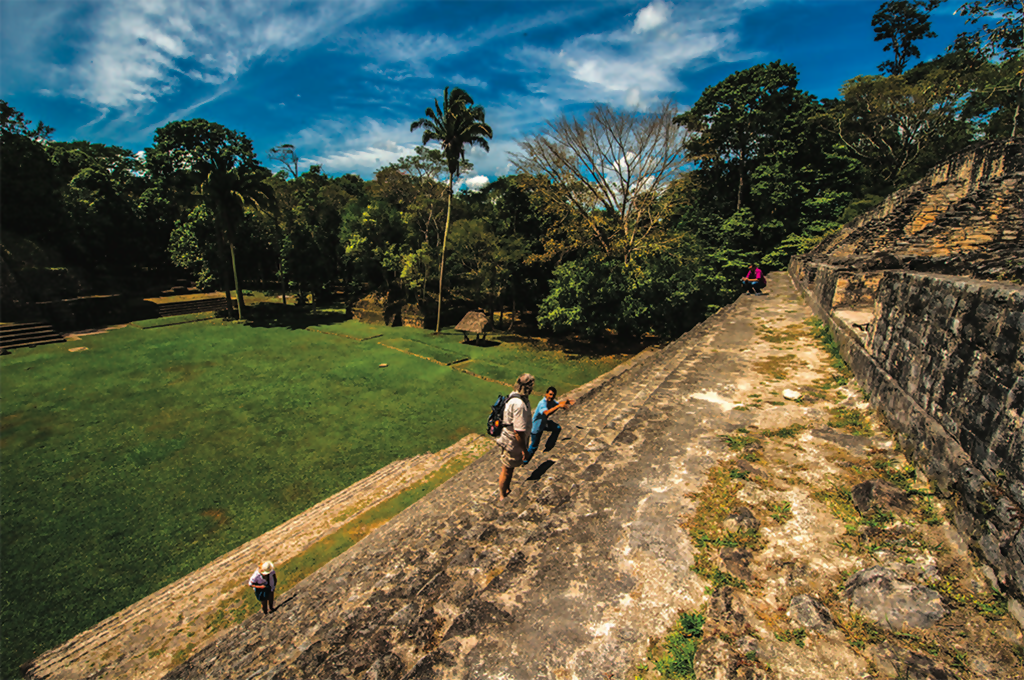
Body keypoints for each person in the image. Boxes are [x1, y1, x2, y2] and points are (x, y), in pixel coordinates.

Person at [496, 373, 534, 500]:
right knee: (506, 469)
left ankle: (506, 489)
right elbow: (518, 431)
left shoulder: (515, 396)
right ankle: (502, 495)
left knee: (509, 468)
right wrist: (524, 450)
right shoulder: (519, 404)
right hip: (512, 442)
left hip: (509, 438)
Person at [526, 386, 575, 463]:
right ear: (546, 394)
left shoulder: (551, 401)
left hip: (544, 424)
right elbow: (546, 413)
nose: (551, 397)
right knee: (534, 446)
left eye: (553, 395)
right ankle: (525, 460)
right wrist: (558, 406)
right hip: (536, 427)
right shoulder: (542, 403)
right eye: (550, 394)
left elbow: (558, 403)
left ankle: (549, 446)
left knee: (557, 428)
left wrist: (567, 402)